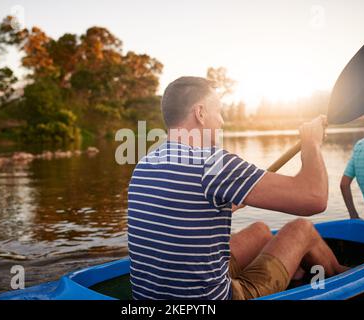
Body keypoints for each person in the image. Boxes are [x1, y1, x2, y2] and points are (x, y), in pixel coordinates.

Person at [127, 76, 347, 300]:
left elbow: (184, 210)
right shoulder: (212, 163)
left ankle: (299, 270)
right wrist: (312, 143)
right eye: (219, 111)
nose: (221, 121)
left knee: (261, 231)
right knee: (302, 229)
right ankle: (342, 277)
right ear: (200, 113)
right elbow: (315, 198)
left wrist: (232, 200)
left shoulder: (145, 164)